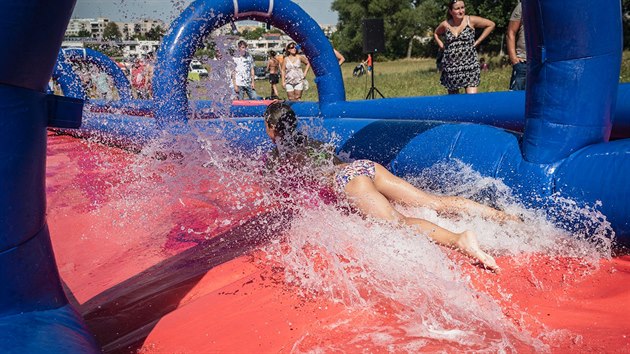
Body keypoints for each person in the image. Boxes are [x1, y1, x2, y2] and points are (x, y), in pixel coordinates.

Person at [263, 102, 520, 271]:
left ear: (272, 128)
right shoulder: (309, 141)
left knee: (398, 222)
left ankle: (459, 239)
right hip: (363, 168)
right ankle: (503, 217)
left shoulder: (282, 154)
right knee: (433, 202)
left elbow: (277, 189)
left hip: (347, 181)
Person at [433, 0, 495, 94]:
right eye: (457, 8)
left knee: (471, 101)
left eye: (462, 7)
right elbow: (436, 33)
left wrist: (477, 41)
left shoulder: (471, 20)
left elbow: (491, 24)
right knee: (454, 103)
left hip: (470, 66)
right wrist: (442, 46)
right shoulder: (445, 24)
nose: (461, 11)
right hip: (451, 69)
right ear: (450, 11)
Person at [506, 2, 526, 91]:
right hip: (523, 61)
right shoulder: (523, 6)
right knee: (515, 97)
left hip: (544, 62)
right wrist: (514, 59)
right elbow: (511, 32)